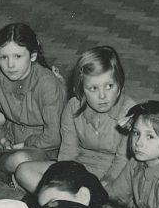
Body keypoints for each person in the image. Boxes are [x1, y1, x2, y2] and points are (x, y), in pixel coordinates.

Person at [15, 46, 135, 192]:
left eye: (109, 86)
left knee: (119, 192)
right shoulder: (73, 107)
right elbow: (68, 152)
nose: (102, 96)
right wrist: (65, 180)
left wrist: (103, 184)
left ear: (120, 84)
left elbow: (123, 160)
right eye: (93, 88)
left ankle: (67, 201)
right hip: (79, 168)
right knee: (23, 171)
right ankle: (73, 202)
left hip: (115, 175)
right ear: (81, 89)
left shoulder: (130, 112)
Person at [0, 23, 66, 182]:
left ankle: (3, 168)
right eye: (3, 57)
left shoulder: (47, 83)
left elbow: (54, 136)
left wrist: (26, 144)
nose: (10, 65)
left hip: (40, 147)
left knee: (18, 160)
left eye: (18, 56)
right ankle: (8, 173)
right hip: (8, 139)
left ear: (33, 56)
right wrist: (0, 136)